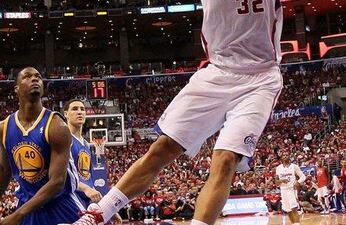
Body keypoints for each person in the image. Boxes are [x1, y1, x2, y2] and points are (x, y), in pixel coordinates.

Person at [69, 0, 283, 224]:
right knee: (162, 147)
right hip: (218, 70)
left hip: (261, 78)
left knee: (226, 159)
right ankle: (99, 214)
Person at [0, 67, 83, 225]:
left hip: (60, 205)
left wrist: (18, 215)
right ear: (16, 88)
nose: (35, 79)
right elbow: (4, 171)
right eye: (28, 76)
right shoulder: (4, 127)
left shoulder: (57, 125)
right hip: (27, 205)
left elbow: (57, 182)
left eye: (38, 76)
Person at [63, 99, 122, 224]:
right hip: (71, 198)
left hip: (87, 199)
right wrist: (85, 189)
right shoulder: (64, 139)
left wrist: (107, 208)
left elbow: (89, 181)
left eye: (82, 109)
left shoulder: (86, 145)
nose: (79, 112)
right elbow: (61, 177)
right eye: (74, 109)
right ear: (65, 114)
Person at [275, 152, 306, 225]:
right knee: (288, 210)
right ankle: (294, 223)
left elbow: (303, 177)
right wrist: (281, 180)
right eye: (284, 155)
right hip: (283, 190)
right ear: (281, 158)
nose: (285, 156)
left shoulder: (294, 166)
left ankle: (297, 224)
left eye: (286, 155)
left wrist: (298, 182)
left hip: (291, 189)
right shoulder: (278, 168)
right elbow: (276, 182)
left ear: (289, 157)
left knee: (293, 208)